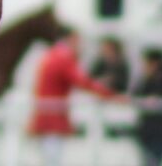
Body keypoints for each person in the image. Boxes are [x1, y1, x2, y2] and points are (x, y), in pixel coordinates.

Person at [27, 26, 116, 166]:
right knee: (52, 159)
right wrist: (111, 95)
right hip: (53, 120)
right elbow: (82, 81)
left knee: (48, 158)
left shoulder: (51, 55)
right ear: (70, 39)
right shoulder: (63, 58)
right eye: (78, 40)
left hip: (45, 117)